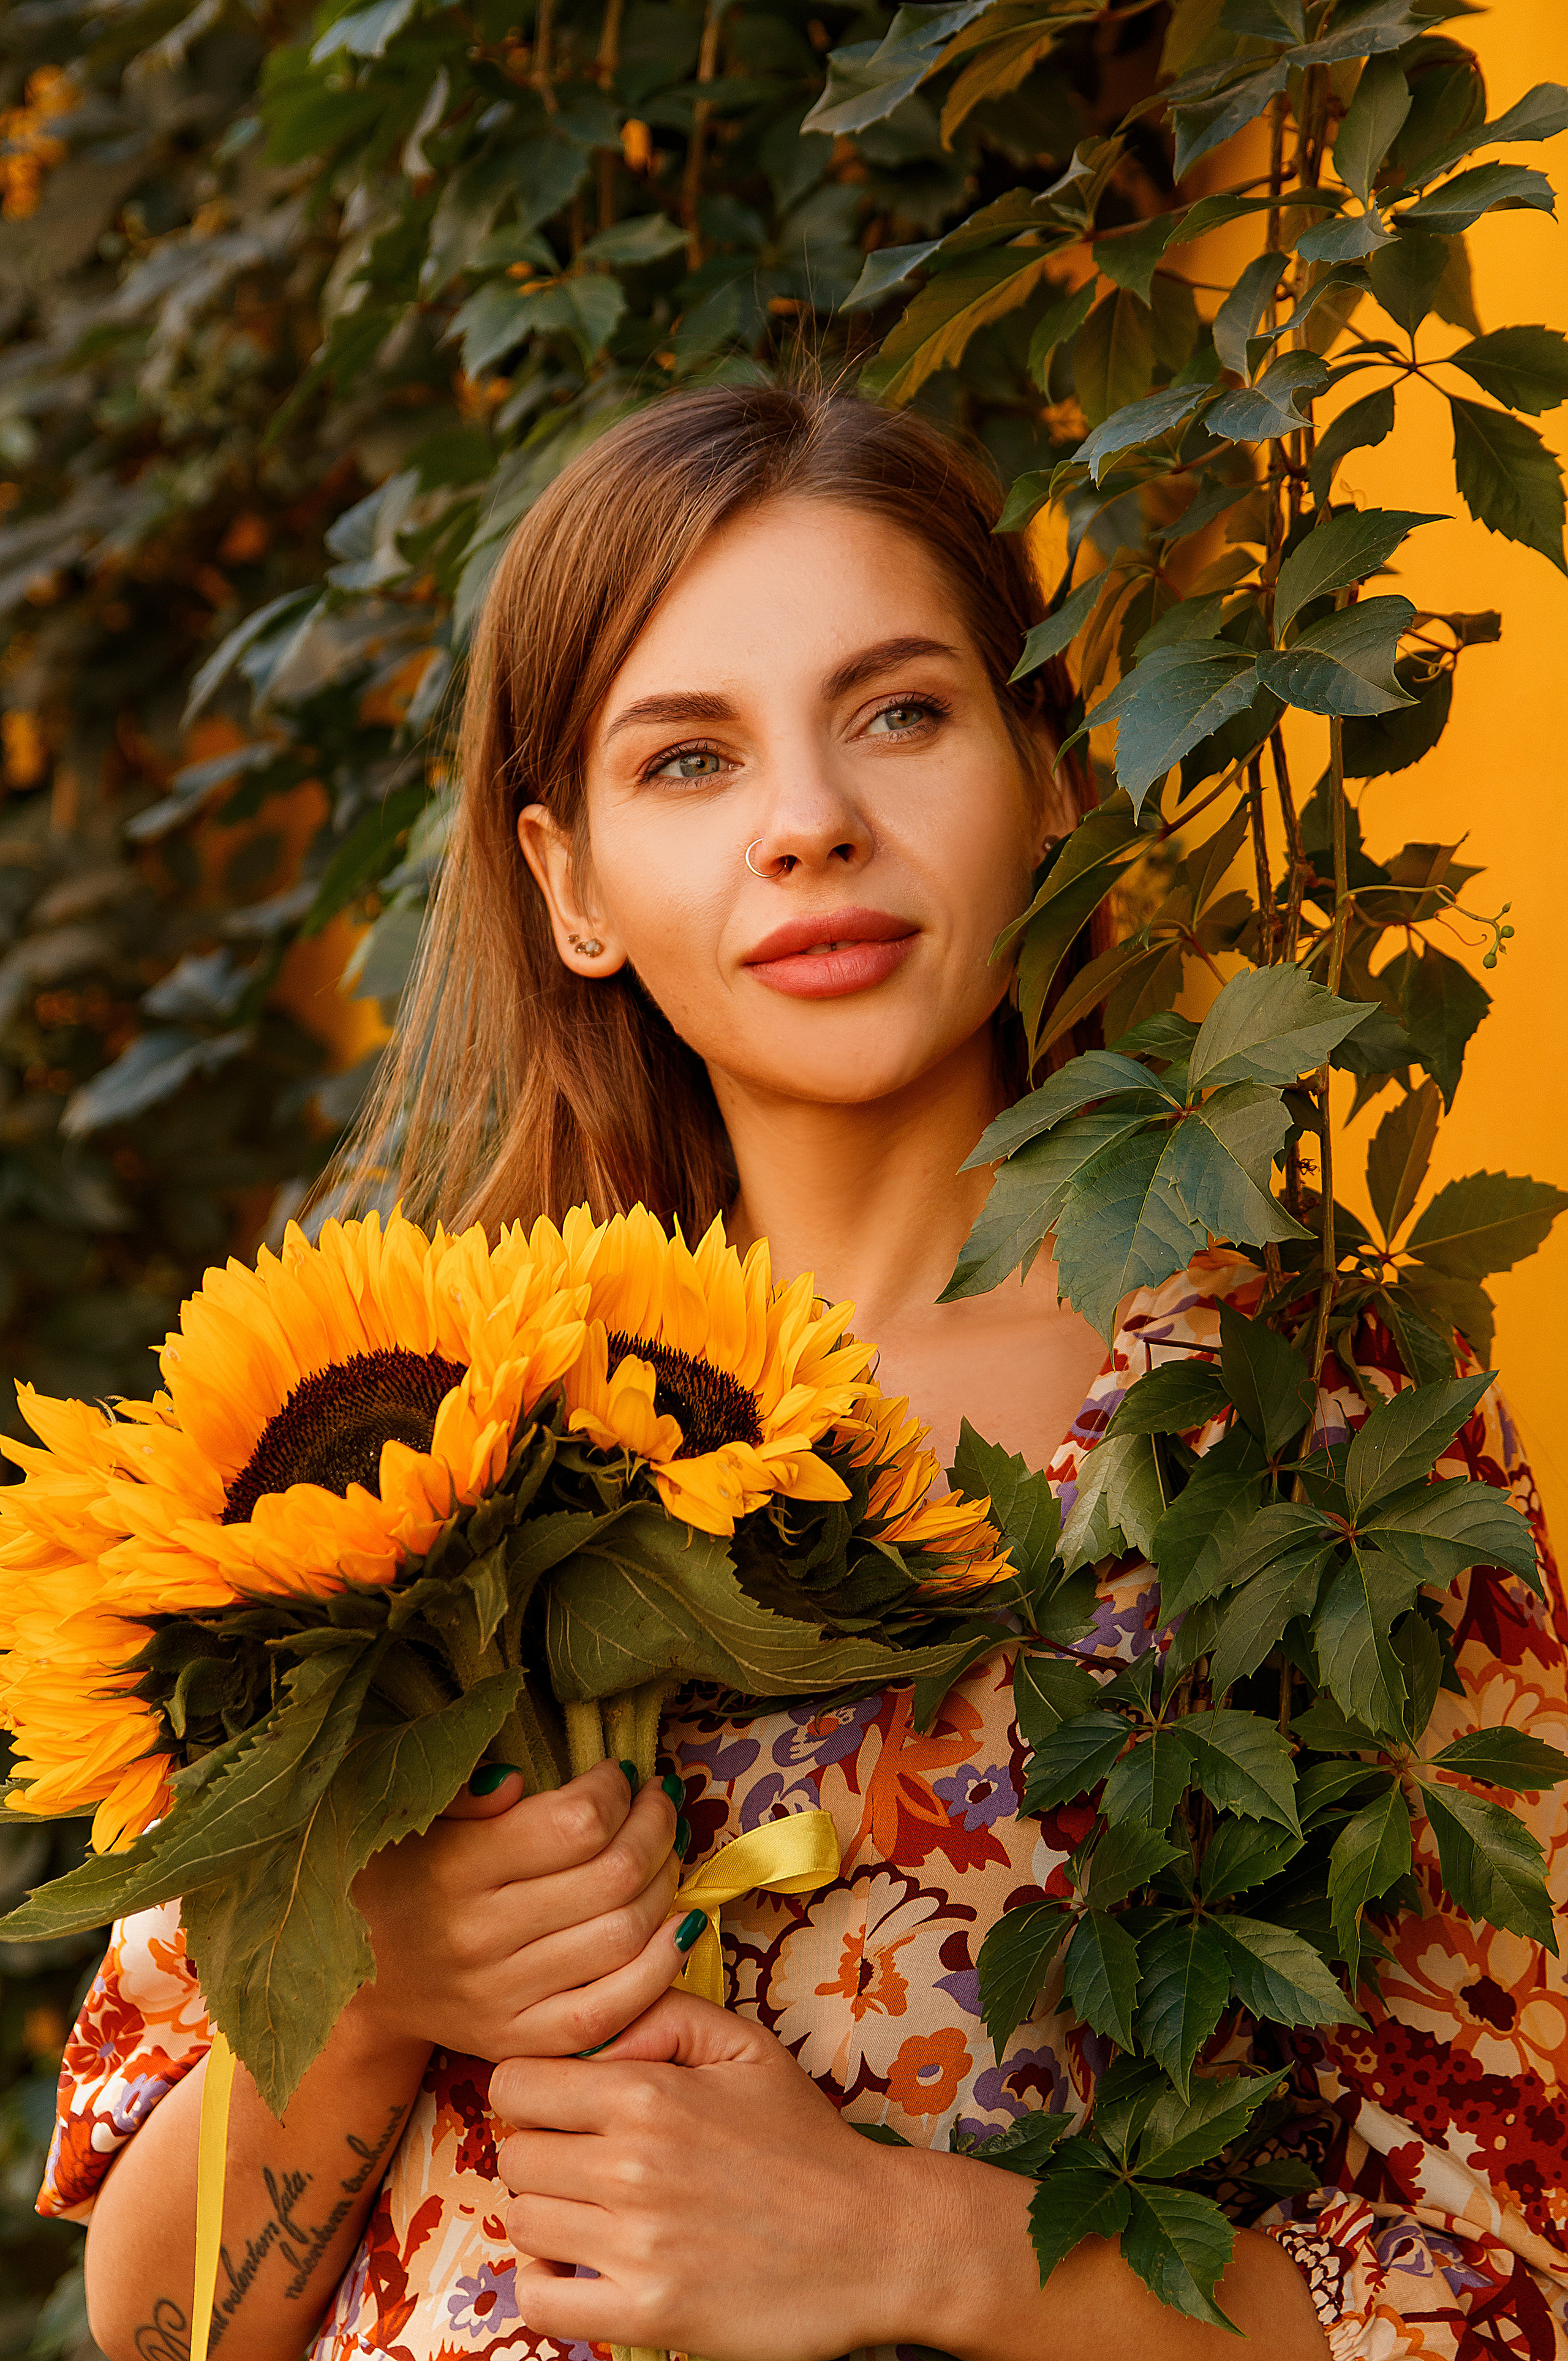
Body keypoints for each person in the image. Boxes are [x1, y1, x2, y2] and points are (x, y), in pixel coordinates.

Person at [44, 387, 1568, 2361]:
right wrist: (372, 1983)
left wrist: (913, 2254)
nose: (810, 822)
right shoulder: (385, 1434)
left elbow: (1505, 2286)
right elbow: (156, 2333)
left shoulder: (1305, 1431)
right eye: (687, 759)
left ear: (1044, 771)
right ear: (568, 881)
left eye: (902, 711)